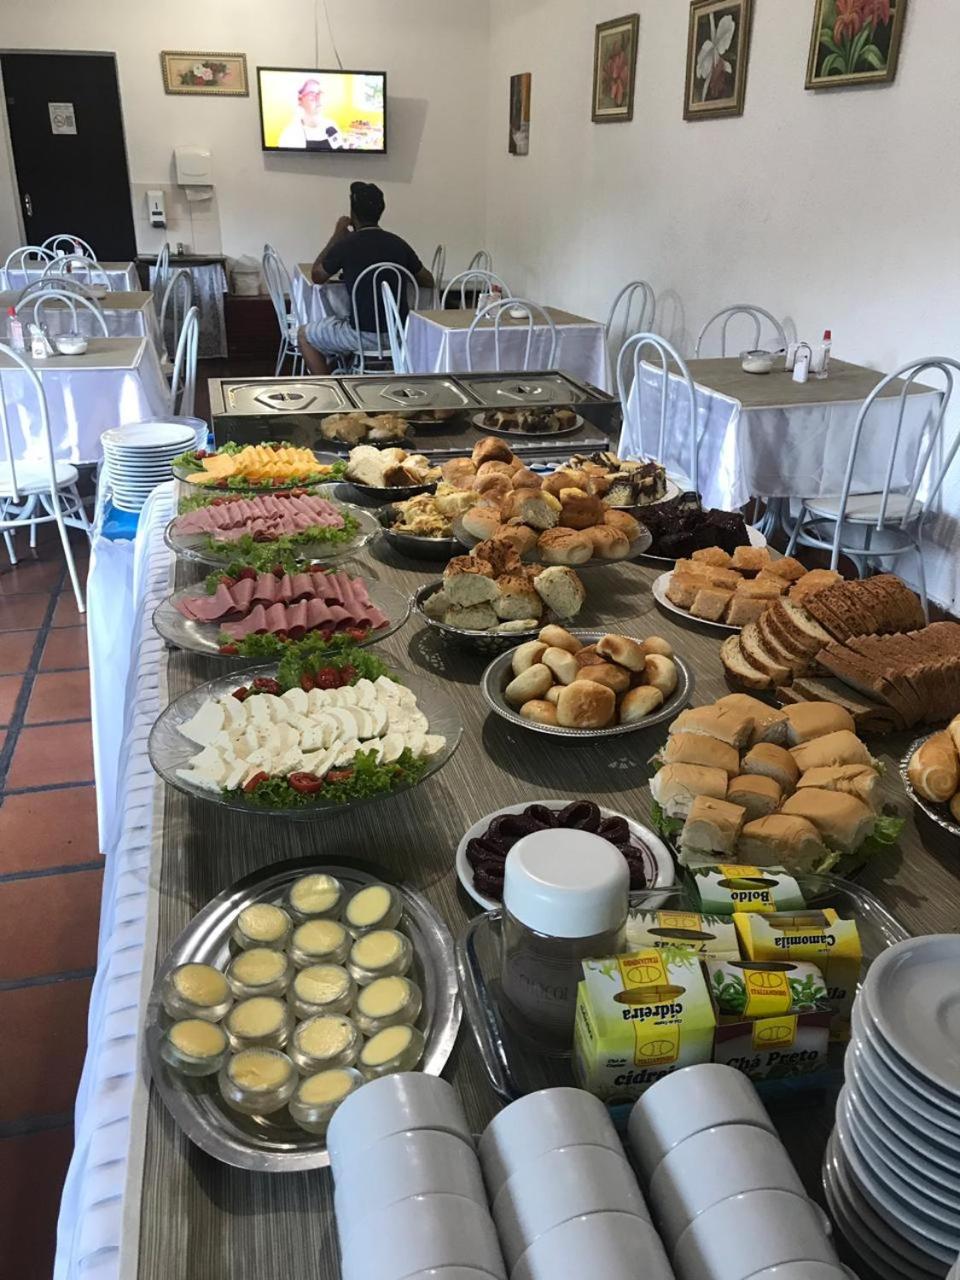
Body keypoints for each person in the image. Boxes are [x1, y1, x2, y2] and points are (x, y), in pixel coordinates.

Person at [298, 182, 434, 375]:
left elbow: (317, 276)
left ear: (353, 213)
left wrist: (336, 235)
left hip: (361, 335)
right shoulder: (398, 243)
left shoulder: (346, 244)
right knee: (342, 324)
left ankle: (331, 388)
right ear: (381, 211)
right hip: (400, 333)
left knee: (304, 335)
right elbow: (428, 281)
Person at [278, 79, 342, 150]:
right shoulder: (290, 135)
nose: (318, 99)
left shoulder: (332, 126)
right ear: (300, 100)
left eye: (319, 93)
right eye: (312, 94)